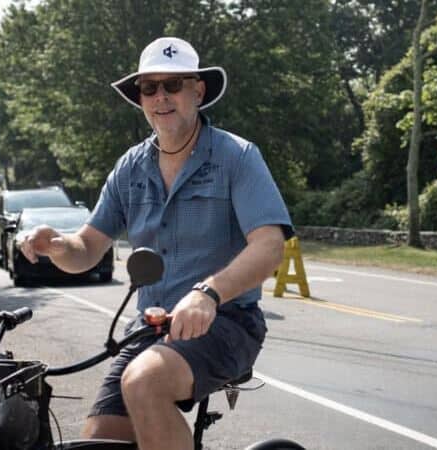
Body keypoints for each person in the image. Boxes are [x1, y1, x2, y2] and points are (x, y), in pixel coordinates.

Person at [20, 37, 293, 450]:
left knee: (145, 382)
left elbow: (270, 245)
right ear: (141, 98)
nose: (161, 97)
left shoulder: (236, 156)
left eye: (173, 85)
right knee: (97, 443)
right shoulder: (130, 167)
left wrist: (208, 293)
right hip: (149, 331)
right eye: (150, 88)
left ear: (197, 91)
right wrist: (56, 244)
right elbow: (87, 249)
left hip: (227, 323)